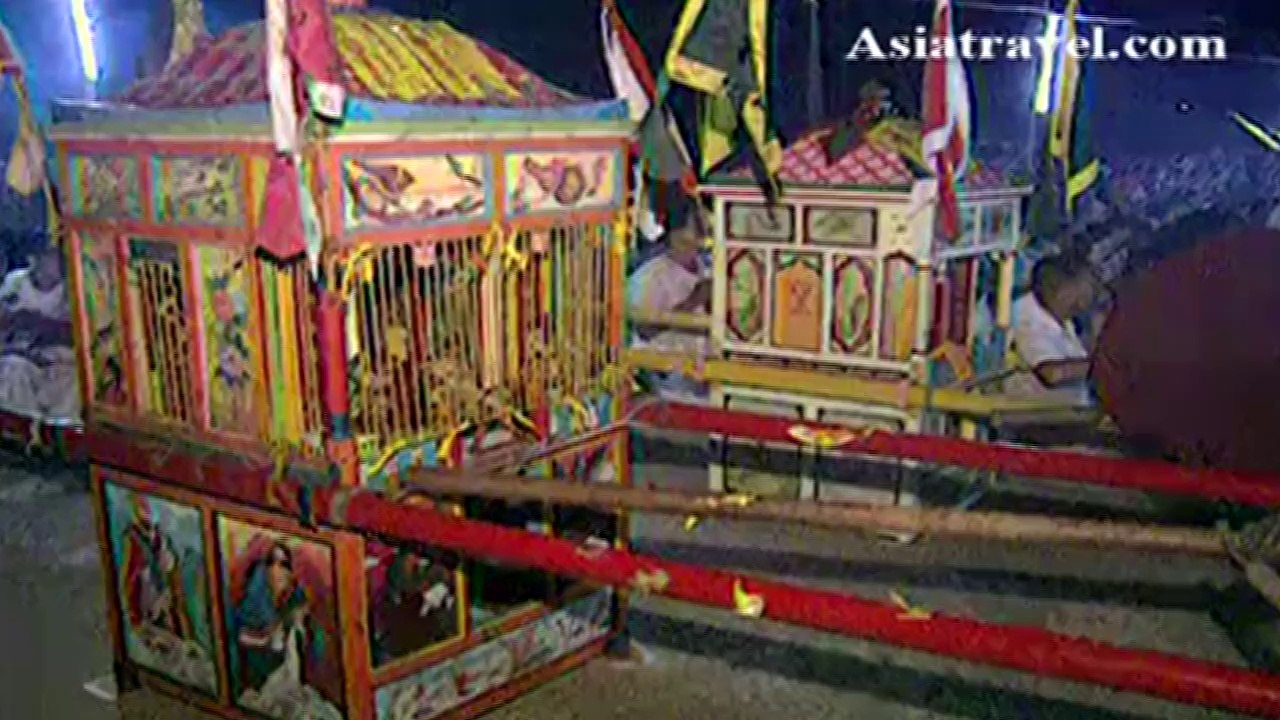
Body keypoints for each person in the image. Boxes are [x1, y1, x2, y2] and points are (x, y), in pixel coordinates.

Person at [627, 212, 711, 399]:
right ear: (673, 233)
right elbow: (644, 330)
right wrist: (693, 301)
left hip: (706, 379)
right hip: (667, 386)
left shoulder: (707, 267)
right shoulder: (651, 276)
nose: (702, 230)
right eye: (695, 225)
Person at [1006, 253, 1103, 405]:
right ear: (1060, 288)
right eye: (1082, 295)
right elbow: (1052, 374)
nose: (1086, 303)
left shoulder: (1062, 318)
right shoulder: (1026, 317)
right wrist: (1108, 367)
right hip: (1035, 415)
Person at [0, 244, 79, 421]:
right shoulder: (15, 282)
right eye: (51, 256)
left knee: (74, 378)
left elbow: (80, 334)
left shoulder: (76, 289)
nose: (58, 263)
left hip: (61, 360)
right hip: (21, 357)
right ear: (34, 258)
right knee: (13, 368)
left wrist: (42, 325)